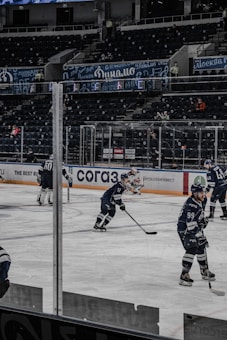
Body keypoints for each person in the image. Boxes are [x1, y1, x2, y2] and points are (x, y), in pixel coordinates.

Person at [177, 184, 215, 286]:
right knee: (192, 248)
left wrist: (203, 221)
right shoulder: (191, 206)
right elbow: (190, 225)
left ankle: (204, 271)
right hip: (185, 230)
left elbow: (199, 218)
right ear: (194, 194)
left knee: (201, 248)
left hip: (194, 227)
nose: (204, 195)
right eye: (201, 193)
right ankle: (184, 275)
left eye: (204, 192)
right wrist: (199, 236)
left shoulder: (201, 200)